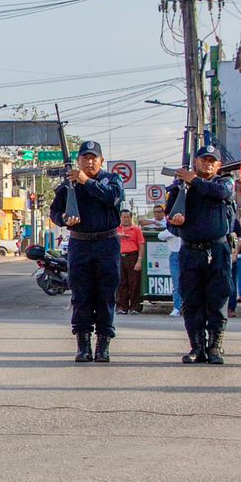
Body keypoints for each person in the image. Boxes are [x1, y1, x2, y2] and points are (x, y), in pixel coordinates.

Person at [49, 141, 125, 363]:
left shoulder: (111, 180)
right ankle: (83, 345)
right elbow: (55, 210)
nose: (89, 161)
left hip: (107, 243)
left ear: (101, 161)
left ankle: (103, 345)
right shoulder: (68, 185)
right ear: (79, 160)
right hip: (80, 244)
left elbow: (113, 198)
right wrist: (62, 219)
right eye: (85, 158)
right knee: (81, 295)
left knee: (106, 294)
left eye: (93, 158)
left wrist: (87, 182)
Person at [167, 147, 236, 365]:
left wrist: (193, 180)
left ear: (218, 165)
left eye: (212, 161)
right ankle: (196, 346)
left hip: (217, 250)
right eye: (203, 160)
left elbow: (221, 194)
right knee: (192, 301)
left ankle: (214, 346)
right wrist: (176, 224)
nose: (207, 163)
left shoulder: (224, 181)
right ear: (195, 161)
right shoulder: (180, 187)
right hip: (190, 251)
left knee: (217, 300)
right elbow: (170, 219)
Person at [116, 209, 145, 315]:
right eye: (124, 217)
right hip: (119, 257)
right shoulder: (116, 230)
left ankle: (134, 307)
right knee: (121, 283)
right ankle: (121, 307)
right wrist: (118, 236)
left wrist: (139, 261)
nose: (126, 219)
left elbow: (141, 245)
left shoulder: (136, 230)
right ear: (120, 218)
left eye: (128, 217)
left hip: (132, 256)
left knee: (134, 283)